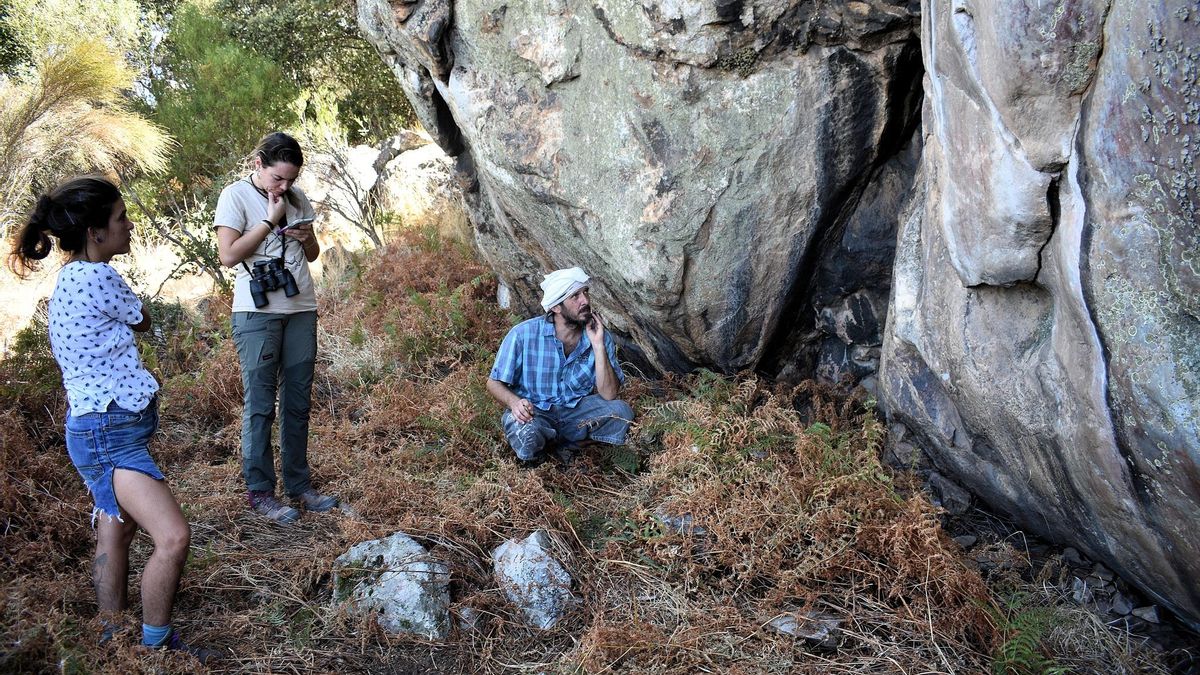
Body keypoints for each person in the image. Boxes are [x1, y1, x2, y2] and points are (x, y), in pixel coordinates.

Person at [8, 176, 212, 660]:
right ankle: (156, 647)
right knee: (173, 536)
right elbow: (141, 319)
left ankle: (111, 636)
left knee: (115, 528)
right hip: (110, 432)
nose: (129, 224)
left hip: (94, 426)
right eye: (120, 217)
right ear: (95, 231)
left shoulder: (70, 278)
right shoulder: (98, 276)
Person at [214, 131, 336, 523]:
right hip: (256, 313)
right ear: (258, 165)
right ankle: (261, 492)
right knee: (261, 405)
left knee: (298, 403)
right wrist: (270, 220)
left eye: (291, 179)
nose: (285, 186)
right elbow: (228, 255)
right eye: (277, 178)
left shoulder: (299, 199)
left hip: (301, 306)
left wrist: (307, 237)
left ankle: (300, 487)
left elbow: (313, 254)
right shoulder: (235, 196)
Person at [486, 267, 634, 465]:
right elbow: (493, 382)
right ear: (556, 307)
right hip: (535, 412)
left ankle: (565, 447)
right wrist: (514, 403)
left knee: (622, 412)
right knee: (528, 434)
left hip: (575, 412)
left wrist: (598, 345)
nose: (585, 301)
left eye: (585, 292)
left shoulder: (597, 335)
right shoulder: (522, 335)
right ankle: (545, 455)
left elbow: (609, 395)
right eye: (575, 296)